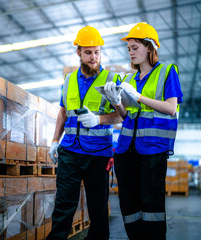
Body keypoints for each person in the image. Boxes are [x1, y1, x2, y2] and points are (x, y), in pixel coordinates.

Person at [103, 22, 183, 240]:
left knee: (152, 205)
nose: (130, 52)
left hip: (153, 152)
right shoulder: (129, 80)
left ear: (149, 47)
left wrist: (138, 97)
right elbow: (125, 117)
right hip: (126, 152)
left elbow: (170, 107)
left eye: (135, 47)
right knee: (129, 205)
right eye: (128, 48)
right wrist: (116, 101)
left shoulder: (167, 72)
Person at [47, 26, 123, 240]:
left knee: (98, 209)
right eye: (88, 52)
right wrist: (55, 141)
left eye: (97, 52)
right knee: (63, 205)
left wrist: (98, 119)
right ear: (78, 52)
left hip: (98, 154)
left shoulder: (111, 80)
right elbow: (63, 112)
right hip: (70, 150)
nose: (94, 57)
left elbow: (120, 116)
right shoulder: (69, 80)